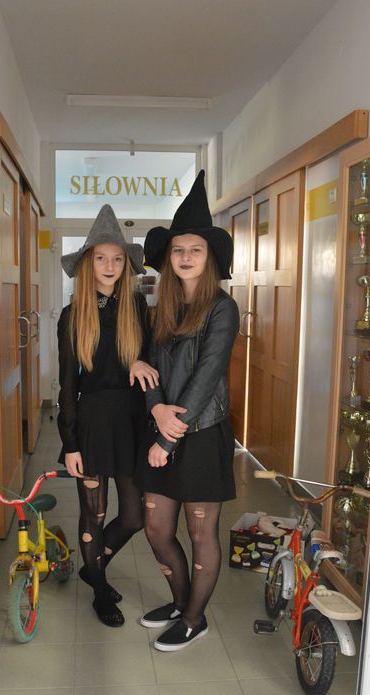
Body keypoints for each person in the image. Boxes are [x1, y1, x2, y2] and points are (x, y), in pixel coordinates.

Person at [135, 170, 239, 650]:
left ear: (209, 256)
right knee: (157, 527)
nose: (185, 257)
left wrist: (166, 434)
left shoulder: (223, 308)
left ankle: (195, 619)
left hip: (201, 433)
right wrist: (156, 410)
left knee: (201, 534)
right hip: (164, 425)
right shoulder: (164, 307)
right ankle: (181, 602)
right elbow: (151, 367)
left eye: (195, 249)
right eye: (178, 249)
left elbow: (207, 377)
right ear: (169, 257)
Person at [57, 204, 158, 627]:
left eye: (117, 258)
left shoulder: (137, 306)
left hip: (131, 422)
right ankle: (100, 590)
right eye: (101, 257)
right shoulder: (72, 315)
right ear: (88, 263)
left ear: (126, 264)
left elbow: (150, 362)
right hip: (93, 424)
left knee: (134, 515)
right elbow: (67, 386)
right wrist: (70, 444)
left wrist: (140, 361)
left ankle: (93, 565)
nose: (110, 266)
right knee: (93, 515)